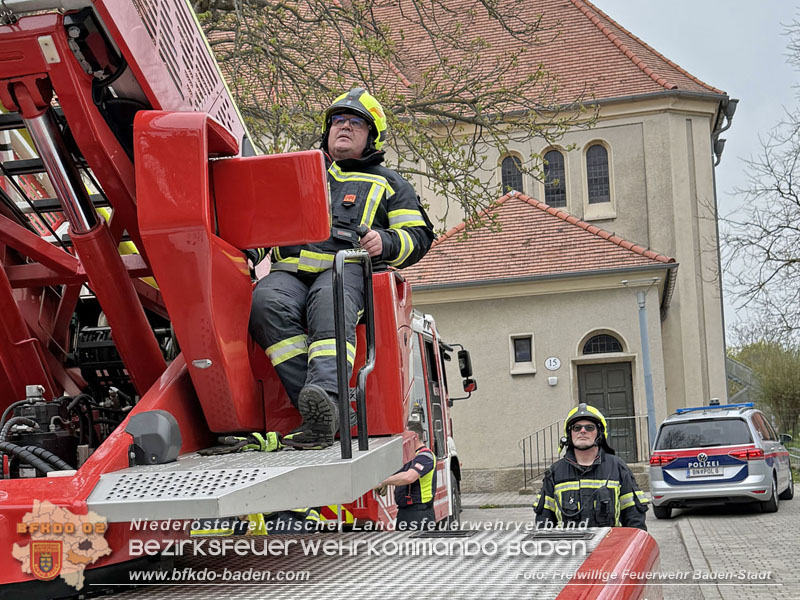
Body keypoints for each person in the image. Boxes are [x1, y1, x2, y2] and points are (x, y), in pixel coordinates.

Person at [249, 88, 434, 450]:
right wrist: (246, 255)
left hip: (345, 269)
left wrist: (385, 242)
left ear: (371, 137)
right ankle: (325, 410)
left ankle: (327, 398)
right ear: (327, 129)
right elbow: (263, 225)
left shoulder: (390, 182)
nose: (344, 127)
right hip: (289, 274)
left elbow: (419, 236)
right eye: (338, 120)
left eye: (355, 123)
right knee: (264, 303)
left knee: (330, 302)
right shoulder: (297, 174)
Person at [533, 403, 649, 530]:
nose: (583, 431)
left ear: (599, 433)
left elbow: (635, 521)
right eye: (576, 428)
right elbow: (543, 524)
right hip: (568, 543)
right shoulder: (555, 472)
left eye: (589, 427)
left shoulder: (617, 468)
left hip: (609, 543)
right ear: (569, 434)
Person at [378, 421, 437, 529]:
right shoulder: (408, 457)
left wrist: (382, 481)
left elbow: (409, 477)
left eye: (403, 436)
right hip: (404, 512)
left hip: (420, 514)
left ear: (415, 437)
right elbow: (397, 476)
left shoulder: (425, 456)